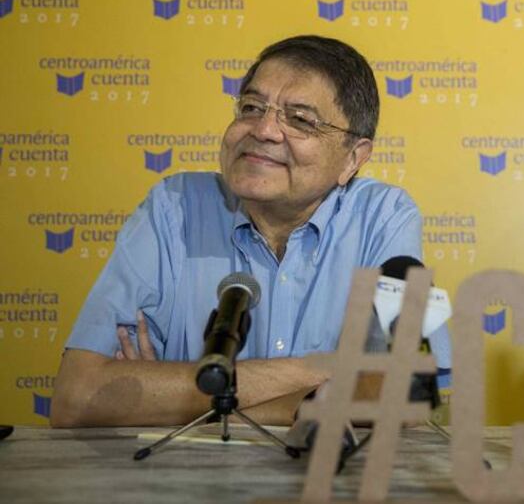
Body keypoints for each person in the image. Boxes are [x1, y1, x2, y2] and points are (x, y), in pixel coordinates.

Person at [51, 35, 422, 428]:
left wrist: (173, 400)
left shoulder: (384, 216)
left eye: (299, 119)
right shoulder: (173, 207)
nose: (263, 129)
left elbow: (396, 395)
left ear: (353, 158)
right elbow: (77, 398)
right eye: (251, 107)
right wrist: (322, 375)